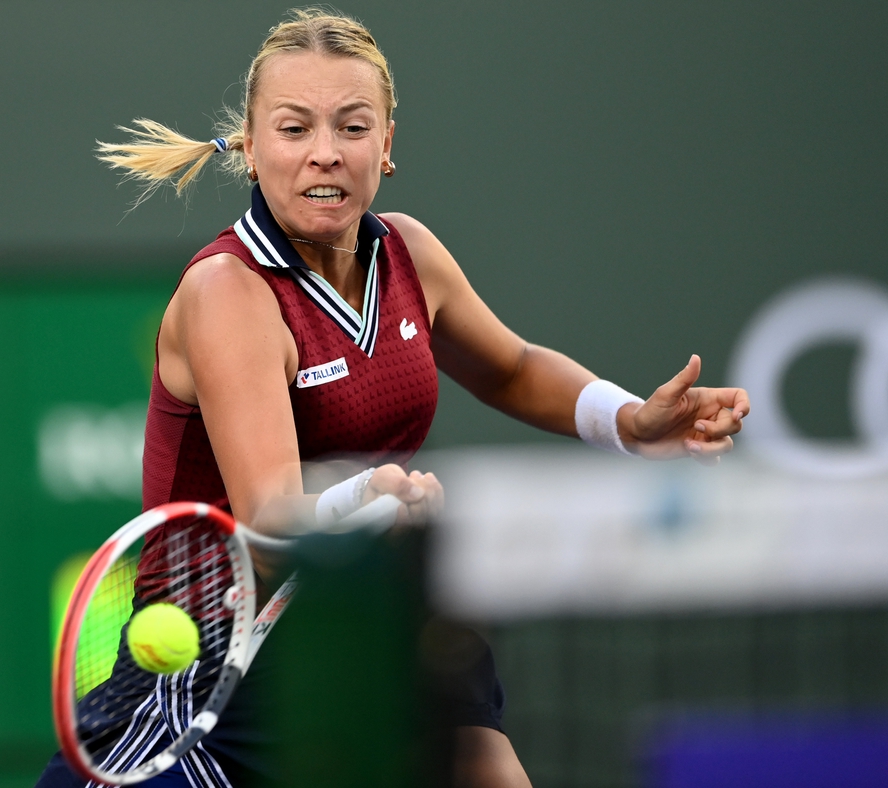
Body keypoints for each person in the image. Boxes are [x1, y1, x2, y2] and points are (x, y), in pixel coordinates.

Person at [37, 9, 750, 788]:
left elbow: (510, 369)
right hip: (214, 663)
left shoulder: (408, 253)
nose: (324, 154)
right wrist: (365, 499)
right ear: (249, 145)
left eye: (352, 128)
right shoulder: (228, 293)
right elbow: (271, 514)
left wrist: (627, 422)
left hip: (375, 622)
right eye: (294, 128)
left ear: (386, 144)